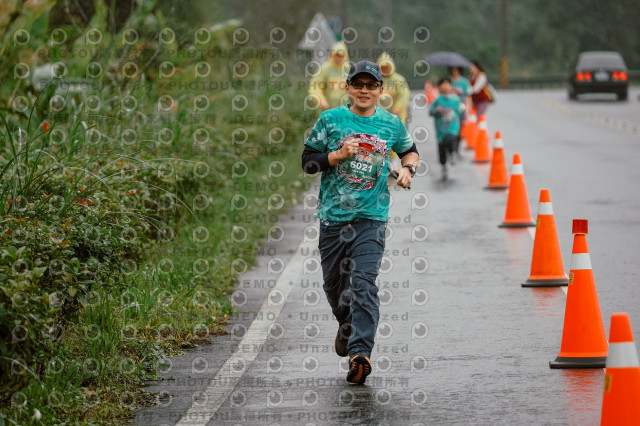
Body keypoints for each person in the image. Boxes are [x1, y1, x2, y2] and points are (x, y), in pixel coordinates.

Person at [301, 61, 419, 385]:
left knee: (364, 283)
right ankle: (346, 325)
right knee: (334, 288)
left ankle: (360, 354)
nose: (365, 90)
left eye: (371, 85)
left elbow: (410, 152)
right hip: (333, 220)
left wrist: (408, 170)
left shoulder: (391, 124)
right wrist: (336, 156)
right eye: (359, 84)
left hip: (371, 219)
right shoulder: (330, 120)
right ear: (347, 88)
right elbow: (308, 163)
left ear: (381, 90)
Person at [429, 77, 465, 179]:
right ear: (439, 87)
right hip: (441, 130)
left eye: (447, 84)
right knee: (442, 150)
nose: (445, 86)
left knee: (451, 139)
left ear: (450, 86)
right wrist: (437, 111)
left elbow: (461, 111)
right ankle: (444, 166)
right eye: (443, 84)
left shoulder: (455, 99)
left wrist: (464, 118)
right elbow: (430, 112)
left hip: (452, 127)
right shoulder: (437, 100)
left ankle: (453, 154)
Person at [308, 41, 350, 111]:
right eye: (336, 55)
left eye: (341, 56)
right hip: (327, 111)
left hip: (345, 112)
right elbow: (316, 86)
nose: (338, 58)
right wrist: (321, 100)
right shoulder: (325, 69)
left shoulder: (349, 70)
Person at [376, 52, 410, 125]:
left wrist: (398, 108)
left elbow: (403, 95)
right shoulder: (374, 79)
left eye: (387, 67)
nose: (385, 69)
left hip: (396, 114)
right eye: (383, 67)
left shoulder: (399, 80)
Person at [448, 66, 471, 154]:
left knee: (459, 131)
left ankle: (456, 149)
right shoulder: (448, 81)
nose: (455, 71)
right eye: (453, 69)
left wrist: (467, 108)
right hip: (450, 109)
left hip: (460, 109)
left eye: (456, 69)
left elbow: (468, 96)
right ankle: (451, 149)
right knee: (450, 131)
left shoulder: (464, 82)